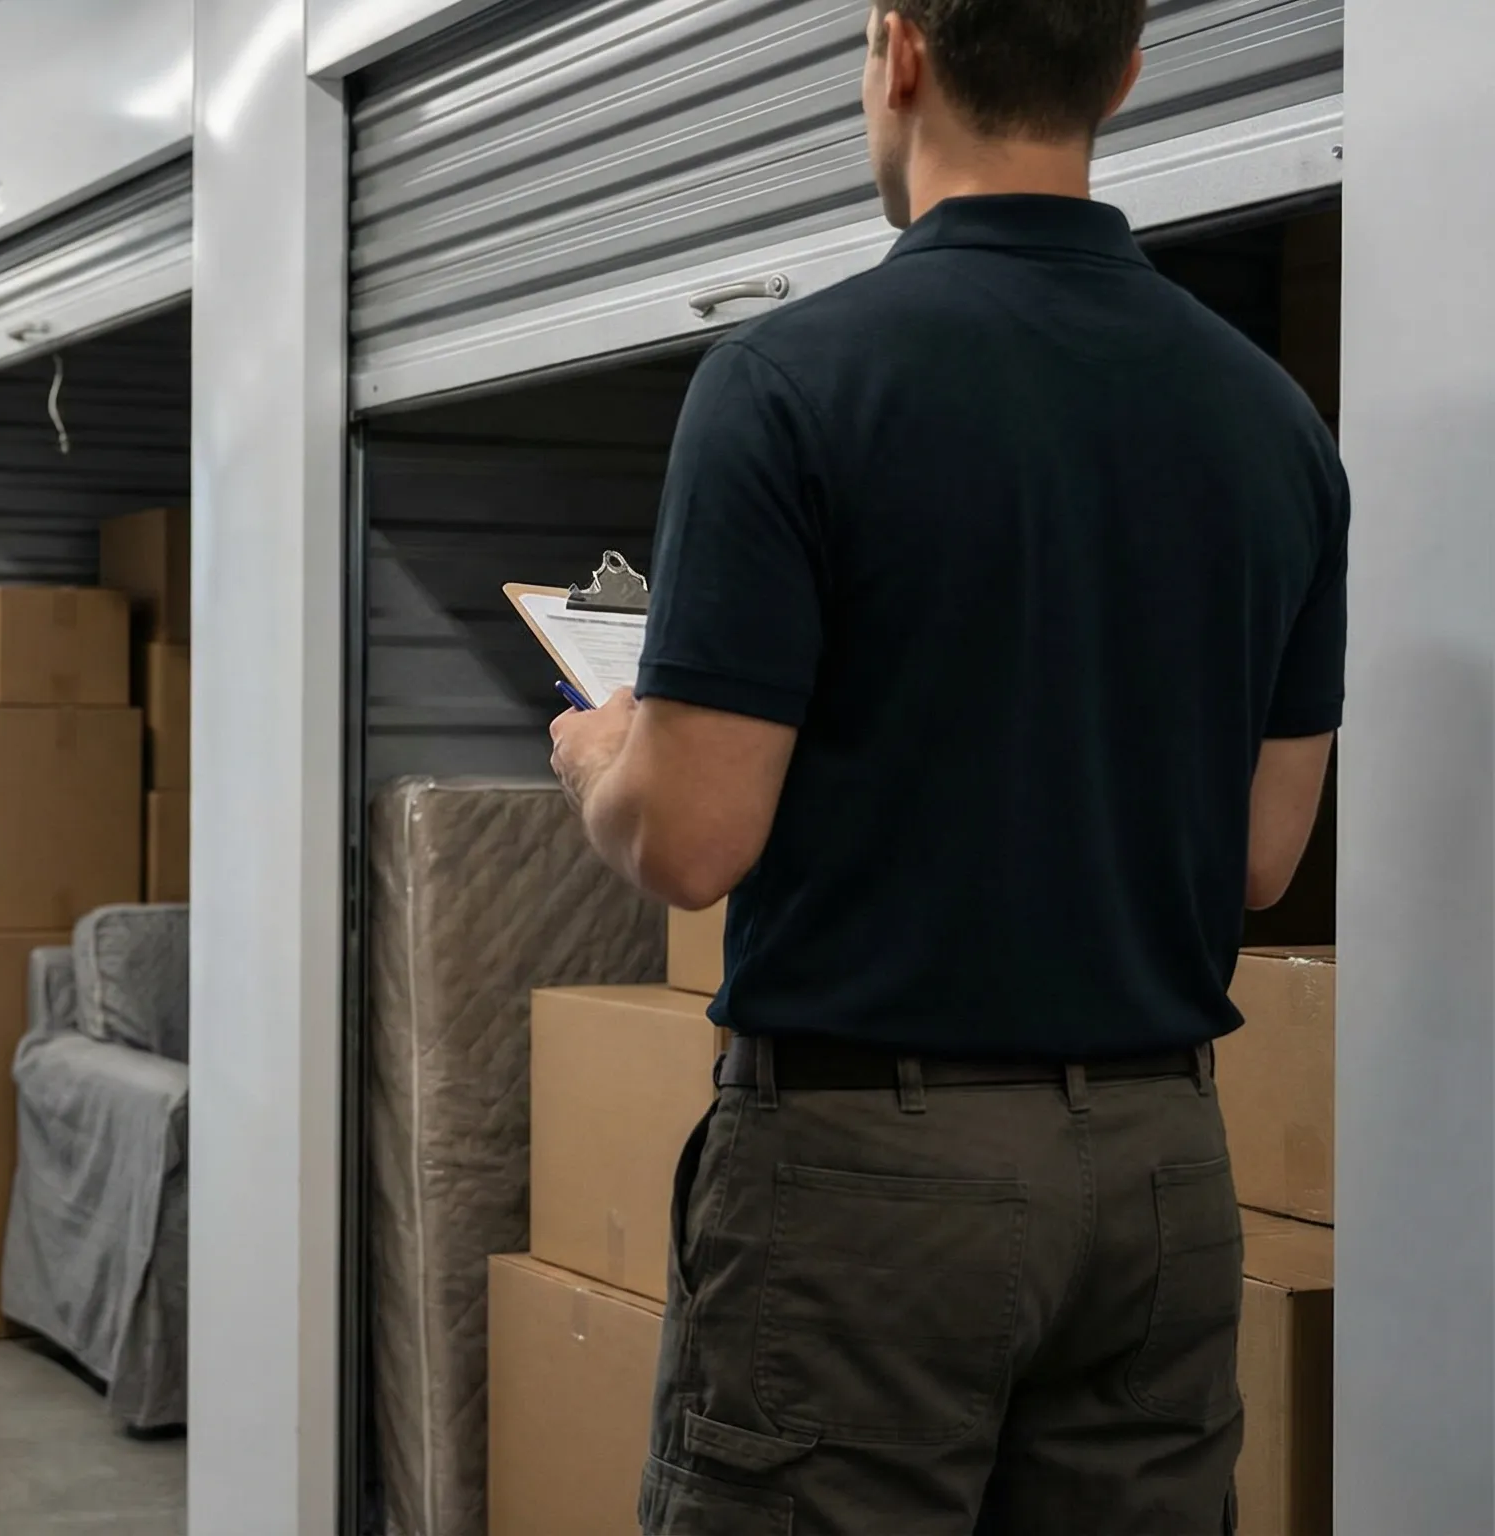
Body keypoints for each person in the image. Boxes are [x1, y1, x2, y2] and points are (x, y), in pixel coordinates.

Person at [543, 0, 1346, 1531]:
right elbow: (1261, 855)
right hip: (1162, 1171)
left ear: (898, 52)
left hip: (868, 1186)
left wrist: (603, 755)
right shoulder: (1274, 422)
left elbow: (691, 840)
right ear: (1124, 70)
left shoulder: (786, 383)